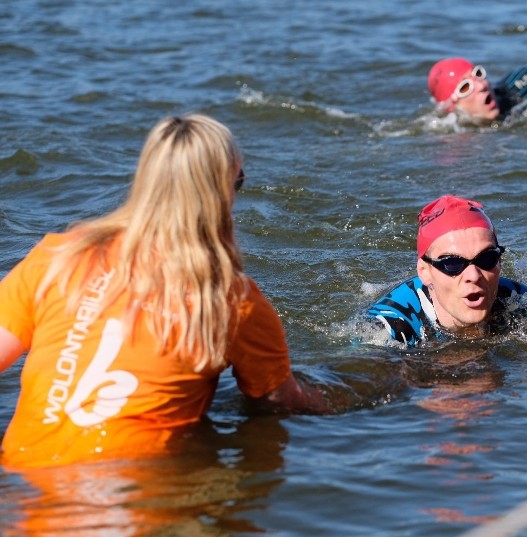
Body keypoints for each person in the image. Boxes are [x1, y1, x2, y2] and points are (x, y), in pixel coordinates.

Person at [0, 114, 328, 469]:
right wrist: (363, 391)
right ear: (222, 192)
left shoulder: (58, 256)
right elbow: (281, 402)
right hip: (130, 492)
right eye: (240, 182)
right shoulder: (228, 298)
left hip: (22, 475)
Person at [367, 195, 527, 346]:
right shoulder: (387, 328)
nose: (473, 275)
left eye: (486, 258)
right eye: (452, 263)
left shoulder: (521, 301)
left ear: (499, 261)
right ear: (424, 272)